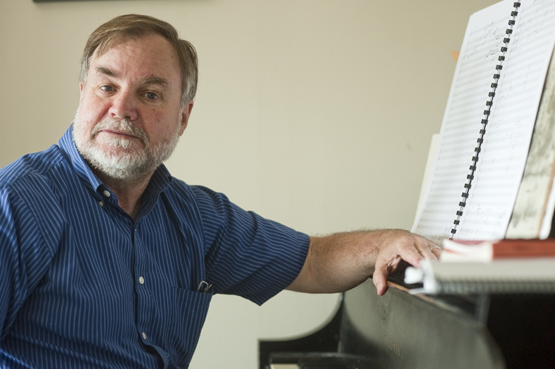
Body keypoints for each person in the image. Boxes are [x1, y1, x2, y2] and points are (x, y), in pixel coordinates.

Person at [0, 14, 440, 369]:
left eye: (150, 94)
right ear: (82, 94)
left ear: (183, 117)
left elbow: (312, 260)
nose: (122, 108)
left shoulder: (193, 216)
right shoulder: (18, 201)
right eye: (107, 86)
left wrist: (385, 242)